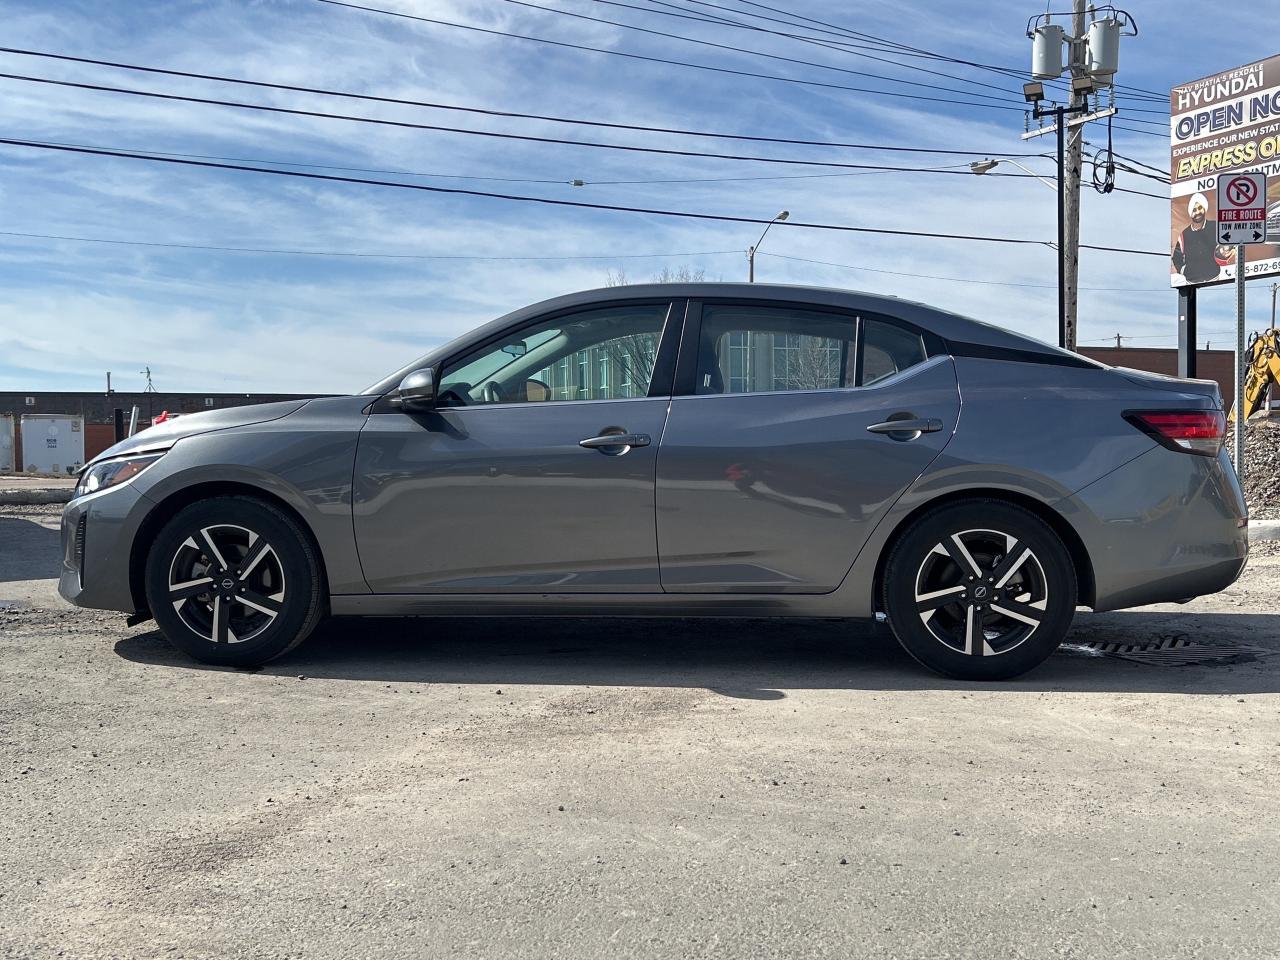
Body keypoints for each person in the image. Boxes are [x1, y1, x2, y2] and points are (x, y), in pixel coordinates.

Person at [1172, 192, 1222, 284]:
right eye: (1194, 210)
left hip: (1214, 278)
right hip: (1191, 282)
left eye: (1200, 208)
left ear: (1204, 209)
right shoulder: (1184, 235)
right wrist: (1184, 270)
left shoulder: (1215, 227)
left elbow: (1226, 246)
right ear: (1191, 213)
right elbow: (1176, 257)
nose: (1197, 212)